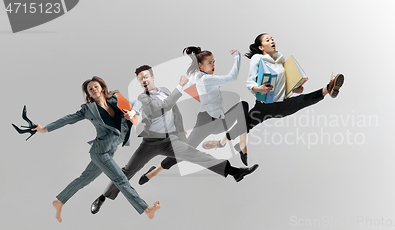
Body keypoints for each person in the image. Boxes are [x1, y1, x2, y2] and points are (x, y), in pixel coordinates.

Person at [89, 65, 259, 215]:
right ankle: (103, 197)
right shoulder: (143, 98)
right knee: (128, 170)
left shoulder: (164, 91)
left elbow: (175, 112)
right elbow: (163, 108)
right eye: (140, 79)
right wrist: (180, 86)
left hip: (170, 139)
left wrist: (179, 132)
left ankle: (235, 172)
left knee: (196, 156)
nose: (143, 80)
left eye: (146, 77)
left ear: (152, 77)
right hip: (151, 143)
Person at [31, 76, 161, 222]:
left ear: (102, 88)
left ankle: (59, 201)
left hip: (110, 150)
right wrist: (44, 129)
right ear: (88, 94)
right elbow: (67, 119)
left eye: (95, 86)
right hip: (100, 152)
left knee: (84, 179)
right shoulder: (88, 109)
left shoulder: (115, 99)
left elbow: (137, 103)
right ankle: (146, 209)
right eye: (90, 89)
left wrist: (132, 112)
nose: (93, 90)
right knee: (120, 179)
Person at [203, 33, 345, 164]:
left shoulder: (280, 60)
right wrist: (259, 88)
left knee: (302, 100)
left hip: (281, 104)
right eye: (268, 40)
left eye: (272, 39)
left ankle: (329, 88)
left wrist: (295, 89)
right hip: (264, 105)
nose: (272, 41)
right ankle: (221, 143)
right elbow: (250, 82)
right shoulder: (257, 58)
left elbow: (284, 84)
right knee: (245, 125)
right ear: (261, 47)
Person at [140, 46, 251, 183]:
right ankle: (155, 171)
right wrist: (237, 57)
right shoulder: (206, 79)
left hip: (219, 122)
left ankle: (240, 144)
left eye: (214, 62)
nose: (213, 65)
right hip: (205, 121)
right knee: (184, 152)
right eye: (209, 62)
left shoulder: (196, 76)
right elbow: (232, 77)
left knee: (243, 106)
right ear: (200, 65)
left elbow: (189, 81)